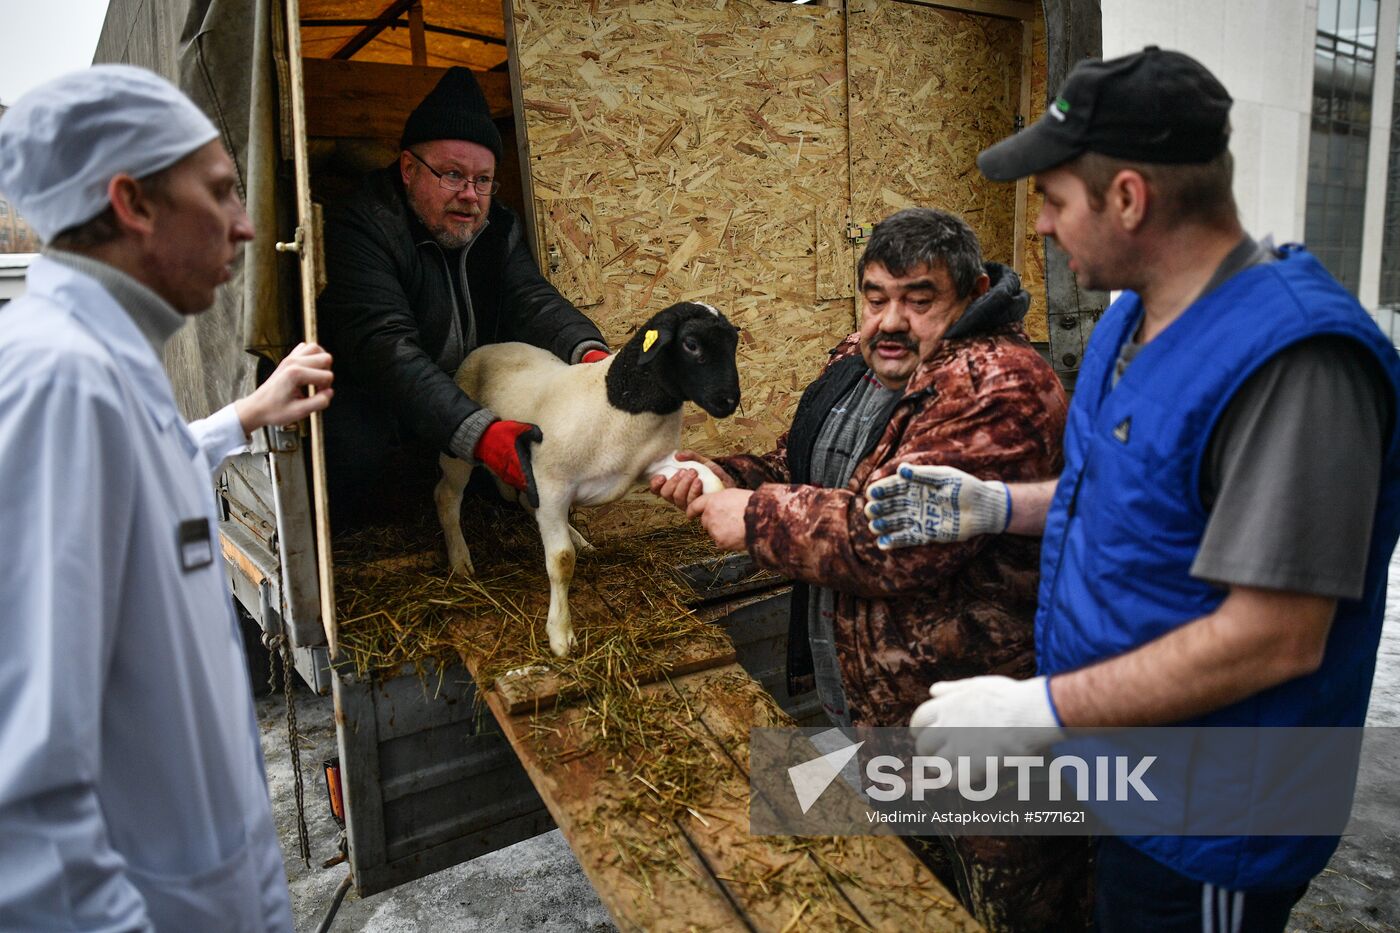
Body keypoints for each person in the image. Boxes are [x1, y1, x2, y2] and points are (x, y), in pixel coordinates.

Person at [865, 47, 1400, 933]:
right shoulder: (1131, 318)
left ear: (1128, 198)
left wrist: (1040, 705)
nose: (1038, 225)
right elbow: (1131, 497)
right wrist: (1000, 505)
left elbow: (1275, 635)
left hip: (1217, 818)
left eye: (1054, 198)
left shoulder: (1296, 365)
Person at [652, 208, 1086, 931]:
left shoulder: (994, 383)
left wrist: (752, 514)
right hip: (878, 712)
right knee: (918, 897)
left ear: (972, 292)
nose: (889, 319)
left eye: (919, 300)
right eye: (875, 295)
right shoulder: (859, 366)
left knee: (1015, 907)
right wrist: (716, 472)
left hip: (978, 731)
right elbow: (804, 464)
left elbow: (893, 540)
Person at [0, 66, 334, 931]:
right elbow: (23, 807)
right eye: (220, 191)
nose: (247, 222)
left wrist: (244, 416)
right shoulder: (58, 383)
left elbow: (145, 474)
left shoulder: (104, 363)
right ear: (133, 203)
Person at [318, 66, 608, 524]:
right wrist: (479, 432)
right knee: (350, 445)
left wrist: (592, 357)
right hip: (380, 393)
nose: (471, 196)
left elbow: (531, 299)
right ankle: (356, 546)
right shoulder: (364, 225)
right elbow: (384, 347)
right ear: (409, 169)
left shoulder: (500, 227)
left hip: (467, 386)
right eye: (453, 175)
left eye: (483, 180)